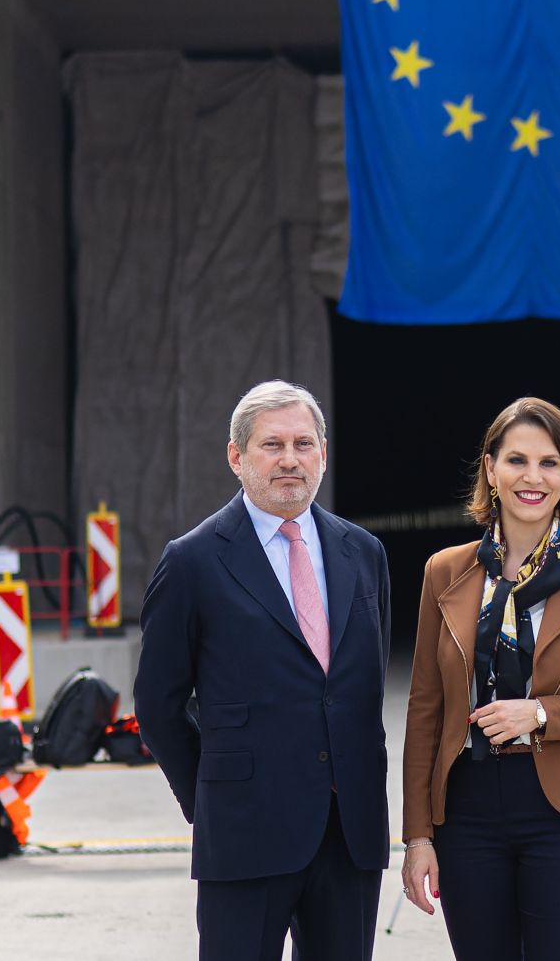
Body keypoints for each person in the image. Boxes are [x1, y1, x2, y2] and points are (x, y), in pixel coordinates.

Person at [133, 380, 391, 961]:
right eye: (271, 445)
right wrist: (212, 799)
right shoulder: (193, 560)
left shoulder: (364, 553)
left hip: (349, 832)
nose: (289, 459)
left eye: (304, 443)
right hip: (244, 830)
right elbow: (157, 705)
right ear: (236, 456)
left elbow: (358, 688)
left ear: (323, 452)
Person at [399, 397, 560, 961]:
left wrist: (541, 714)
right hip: (466, 810)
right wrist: (417, 837)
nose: (532, 478)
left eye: (549, 463)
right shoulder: (445, 571)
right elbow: (424, 711)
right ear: (491, 469)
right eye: (517, 460)